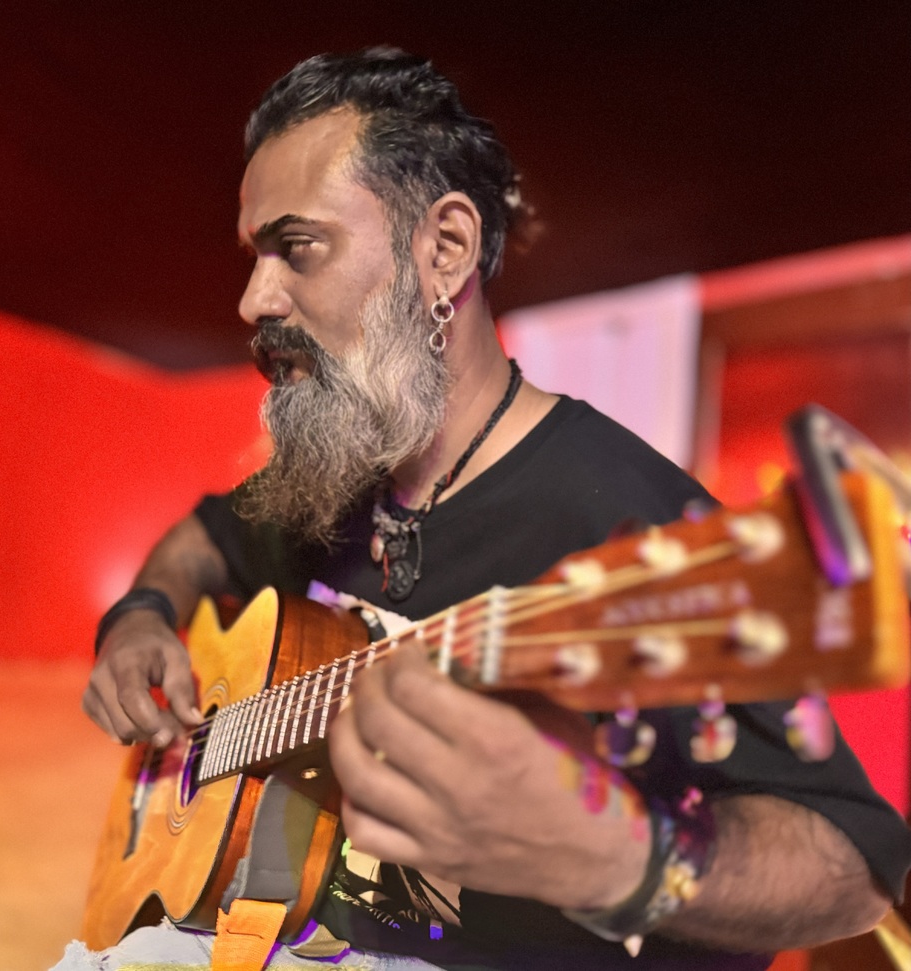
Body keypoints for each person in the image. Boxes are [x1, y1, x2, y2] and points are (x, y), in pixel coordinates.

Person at [65, 48, 911, 971]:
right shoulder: (330, 477)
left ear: (446, 251)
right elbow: (201, 539)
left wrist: (624, 862)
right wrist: (139, 615)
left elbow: (855, 867)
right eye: (255, 256)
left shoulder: (629, 518)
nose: (252, 299)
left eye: (297, 247)